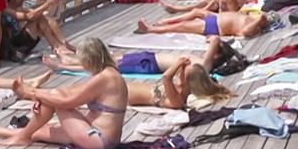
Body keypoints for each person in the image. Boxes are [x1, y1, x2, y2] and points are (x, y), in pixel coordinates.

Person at [0, 38, 127, 149]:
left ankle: (23, 136)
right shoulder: (109, 73)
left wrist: (34, 93)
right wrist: (42, 96)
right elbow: (72, 91)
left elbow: (68, 101)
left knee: (55, 97)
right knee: (41, 130)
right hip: (98, 134)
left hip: (100, 140)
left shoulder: (104, 78)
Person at [43, 37, 234, 109]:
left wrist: (177, 63)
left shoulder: (177, 99)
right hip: (125, 87)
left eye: (184, 70)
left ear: (187, 80)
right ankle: (46, 90)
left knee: (78, 91)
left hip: (124, 95)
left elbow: (165, 76)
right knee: (76, 88)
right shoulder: (178, 88)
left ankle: (40, 93)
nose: (181, 70)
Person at [2, 0, 75, 58]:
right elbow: (30, 16)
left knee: (45, 17)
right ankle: (57, 46)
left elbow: (37, 13)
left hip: (22, 41)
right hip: (14, 46)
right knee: (38, 17)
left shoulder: (20, 9)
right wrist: (47, 4)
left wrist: (55, 4)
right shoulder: (6, 10)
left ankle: (64, 44)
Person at [136, 10, 275, 38]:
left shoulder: (254, 28)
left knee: (181, 26)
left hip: (215, 27)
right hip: (215, 19)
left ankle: (150, 29)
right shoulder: (252, 19)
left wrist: (259, 20)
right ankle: (162, 23)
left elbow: (244, 32)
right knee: (196, 13)